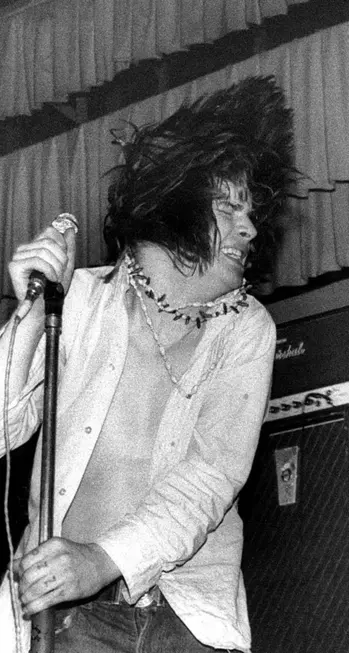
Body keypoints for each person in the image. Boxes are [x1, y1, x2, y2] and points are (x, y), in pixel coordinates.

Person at [0, 75, 298, 652]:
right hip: (61, 618)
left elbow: (209, 480)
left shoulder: (246, 329)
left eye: (253, 212)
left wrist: (103, 559)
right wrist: (32, 312)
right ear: (176, 200)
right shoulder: (80, 301)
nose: (251, 228)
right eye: (230, 207)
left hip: (185, 621)